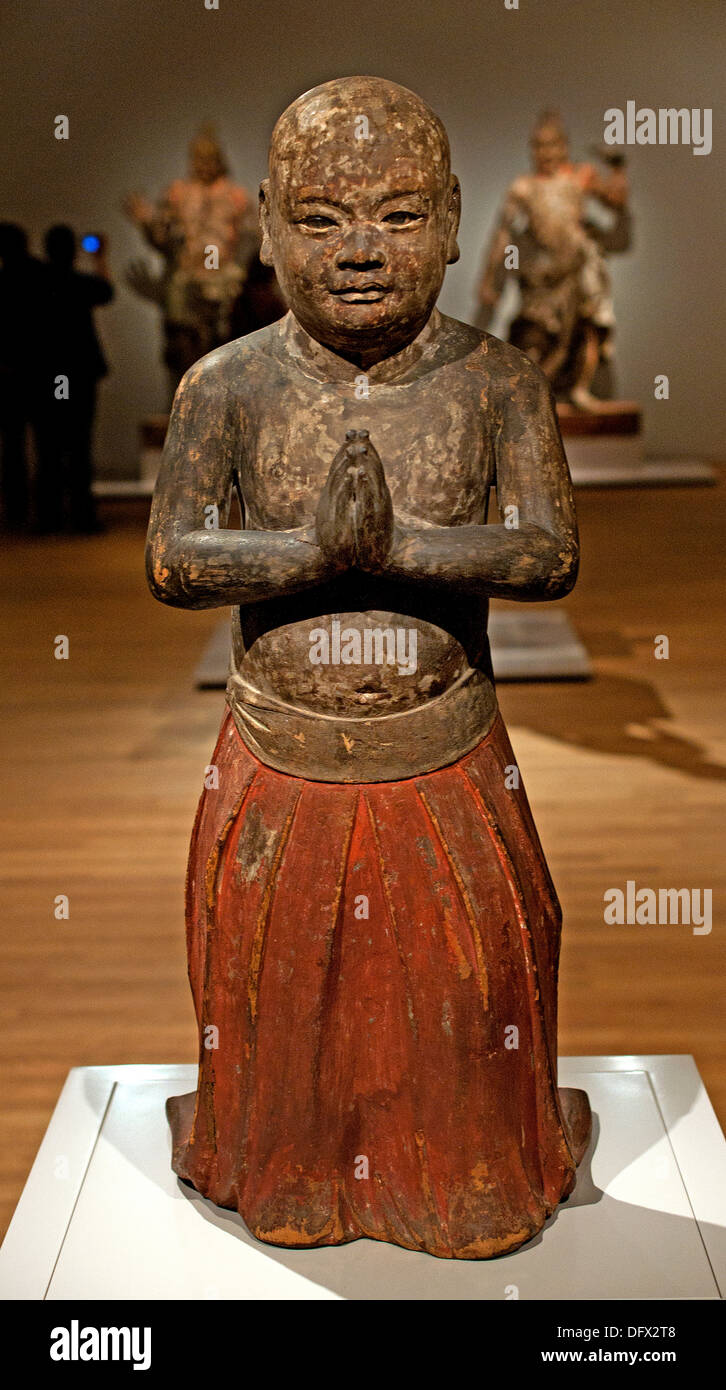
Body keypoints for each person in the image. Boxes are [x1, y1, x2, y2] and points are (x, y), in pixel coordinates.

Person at [146, 77, 591, 1259]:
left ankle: (469, 1174)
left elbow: (548, 551)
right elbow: (175, 556)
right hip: (276, 762)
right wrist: (305, 551)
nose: (359, 252)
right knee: (272, 1005)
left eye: (397, 217)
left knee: (468, 1000)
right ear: (265, 221)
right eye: (321, 216)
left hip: (444, 759)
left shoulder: (496, 381)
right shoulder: (226, 386)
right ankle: (279, 1164)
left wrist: (402, 546)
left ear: (452, 219)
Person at [478, 110, 631, 410]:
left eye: (552, 145)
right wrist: (490, 280)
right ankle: (531, 397)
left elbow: (615, 201)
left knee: (586, 331)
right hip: (541, 276)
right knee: (534, 336)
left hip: (577, 272)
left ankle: (579, 389)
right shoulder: (523, 187)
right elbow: (502, 235)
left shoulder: (580, 177)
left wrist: (617, 169)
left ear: (564, 147)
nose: (546, 153)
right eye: (539, 146)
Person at [124, 126, 257, 397]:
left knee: (224, 358)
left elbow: (251, 238)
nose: (205, 165)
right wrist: (147, 223)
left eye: (210, 158)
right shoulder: (178, 193)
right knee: (184, 357)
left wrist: (240, 272)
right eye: (199, 158)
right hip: (186, 284)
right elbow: (164, 240)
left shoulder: (236, 196)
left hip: (226, 286)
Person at [34, 225, 113, 533]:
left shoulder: (37, 283)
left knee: (48, 446)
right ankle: (81, 516)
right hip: (77, 373)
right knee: (79, 445)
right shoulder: (79, 283)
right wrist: (100, 259)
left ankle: (49, 516)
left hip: (48, 373)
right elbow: (107, 292)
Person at [0, 224, 45, 528]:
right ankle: (47, 513)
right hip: (44, 373)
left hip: (11, 374)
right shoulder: (43, 276)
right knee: (50, 443)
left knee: (13, 446)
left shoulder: (3, 281)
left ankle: (17, 511)